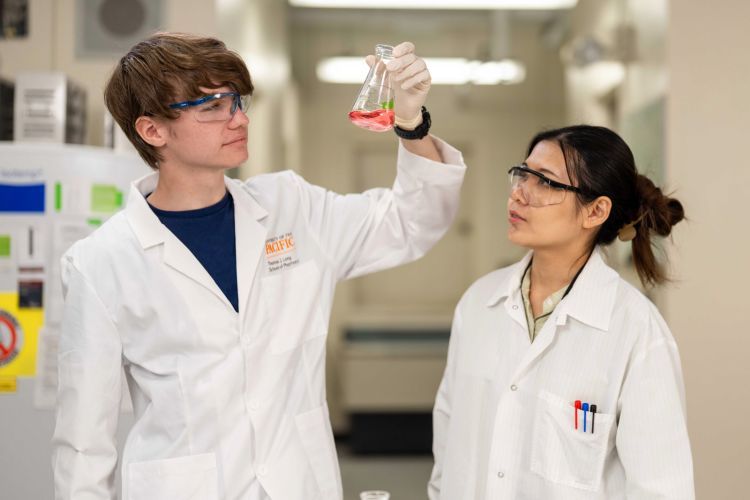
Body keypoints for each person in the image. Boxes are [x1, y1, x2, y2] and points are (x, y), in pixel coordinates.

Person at [51, 32, 466, 500]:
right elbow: (84, 446)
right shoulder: (101, 262)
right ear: (153, 131)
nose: (238, 119)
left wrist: (411, 123)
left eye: (238, 101)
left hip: (299, 485)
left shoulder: (293, 207)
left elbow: (414, 223)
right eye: (212, 106)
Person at [428, 125, 694, 499]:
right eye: (522, 173)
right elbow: (448, 438)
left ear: (596, 211)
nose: (519, 193)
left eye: (546, 182)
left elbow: (661, 488)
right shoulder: (478, 303)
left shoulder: (635, 329)